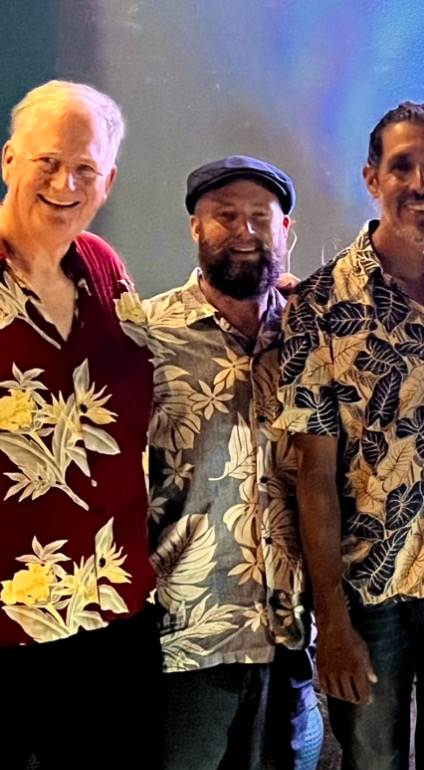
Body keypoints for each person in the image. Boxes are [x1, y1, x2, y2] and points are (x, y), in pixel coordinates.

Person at [277, 102, 424, 769]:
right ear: (372, 178)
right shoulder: (320, 304)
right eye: (402, 166)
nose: (420, 183)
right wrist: (330, 620)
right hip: (369, 596)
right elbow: (313, 478)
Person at [126, 156, 321, 769]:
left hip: (290, 636)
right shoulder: (145, 334)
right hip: (187, 637)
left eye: (260, 217)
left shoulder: (312, 336)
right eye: (225, 216)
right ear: (195, 227)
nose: (244, 232)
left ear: (284, 228)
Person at [0, 80, 159, 769]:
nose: (65, 183)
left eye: (85, 168)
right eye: (48, 162)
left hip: (109, 609)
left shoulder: (104, 267)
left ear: (108, 181)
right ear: (9, 160)